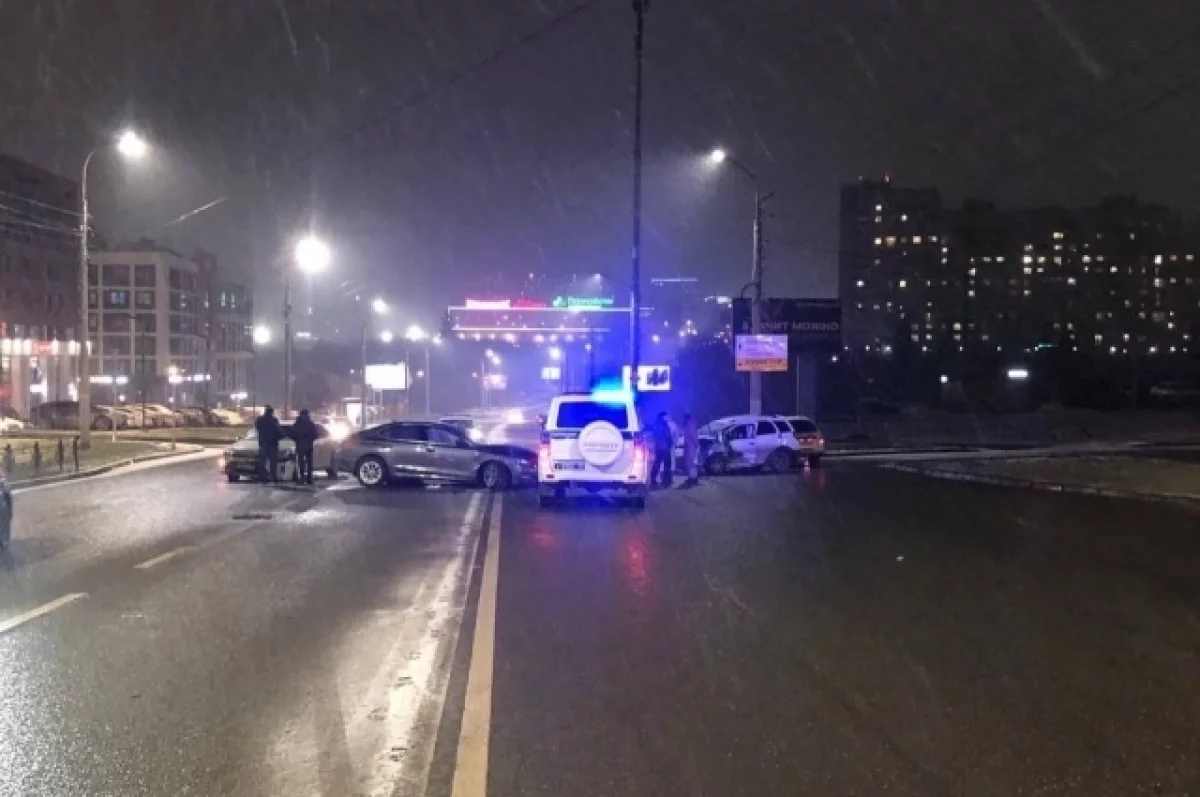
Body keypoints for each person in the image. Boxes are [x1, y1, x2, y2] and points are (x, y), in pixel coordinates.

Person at [254, 405, 282, 484]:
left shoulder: (260, 420)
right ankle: (273, 477)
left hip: (263, 444)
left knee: (262, 462)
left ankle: (263, 477)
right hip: (273, 444)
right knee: (273, 462)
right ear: (272, 412)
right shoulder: (274, 420)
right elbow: (278, 431)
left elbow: (257, 428)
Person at [292, 408, 317, 485]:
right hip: (308, 445)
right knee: (309, 462)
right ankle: (309, 478)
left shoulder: (297, 423)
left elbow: (292, 433)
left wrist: (297, 440)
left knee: (301, 462)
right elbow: (315, 434)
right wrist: (310, 440)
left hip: (300, 445)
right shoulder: (310, 423)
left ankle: (302, 478)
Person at [650, 411, 674, 488]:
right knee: (667, 465)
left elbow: (654, 436)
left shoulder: (655, 424)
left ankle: (653, 480)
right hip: (665, 447)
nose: (668, 418)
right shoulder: (664, 424)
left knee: (657, 463)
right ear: (663, 417)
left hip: (658, 447)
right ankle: (666, 482)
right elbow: (667, 435)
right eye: (666, 416)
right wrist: (670, 443)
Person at [680, 413, 700, 488]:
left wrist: (696, 445)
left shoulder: (688, 426)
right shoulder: (690, 425)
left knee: (690, 464)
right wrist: (697, 445)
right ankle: (693, 478)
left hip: (689, 447)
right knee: (691, 464)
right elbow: (693, 436)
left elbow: (692, 436)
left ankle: (692, 478)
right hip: (690, 447)